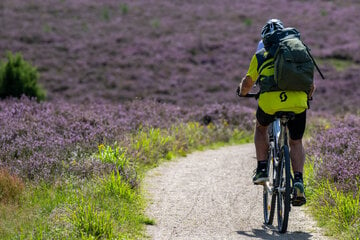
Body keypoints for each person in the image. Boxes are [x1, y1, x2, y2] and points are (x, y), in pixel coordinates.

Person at [237, 19, 315, 206]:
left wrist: (242, 91)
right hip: (297, 104)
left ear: (265, 39)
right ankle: (298, 181)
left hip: (270, 103)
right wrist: (305, 96)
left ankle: (262, 169)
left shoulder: (260, 55)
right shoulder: (297, 52)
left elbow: (248, 82)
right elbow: (310, 86)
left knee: (261, 127)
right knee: (295, 141)